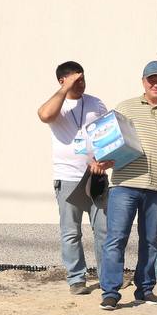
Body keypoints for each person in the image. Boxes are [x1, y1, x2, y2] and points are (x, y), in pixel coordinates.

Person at [97, 61, 157, 310]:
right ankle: (110, 292)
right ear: (143, 82)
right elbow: (108, 138)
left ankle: (145, 290)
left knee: (150, 241)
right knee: (116, 239)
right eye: (151, 80)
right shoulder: (125, 107)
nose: (156, 84)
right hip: (124, 184)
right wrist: (102, 158)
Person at [36, 60, 108, 295]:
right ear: (62, 80)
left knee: (104, 230)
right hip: (67, 177)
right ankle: (76, 279)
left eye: (83, 78)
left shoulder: (95, 103)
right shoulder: (57, 104)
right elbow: (44, 115)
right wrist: (65, 89)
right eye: (76, 80)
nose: (81, 83)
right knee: (71, 232)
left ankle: (107, 278)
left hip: (95, 176)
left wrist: (104, 161)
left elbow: (108, 135)